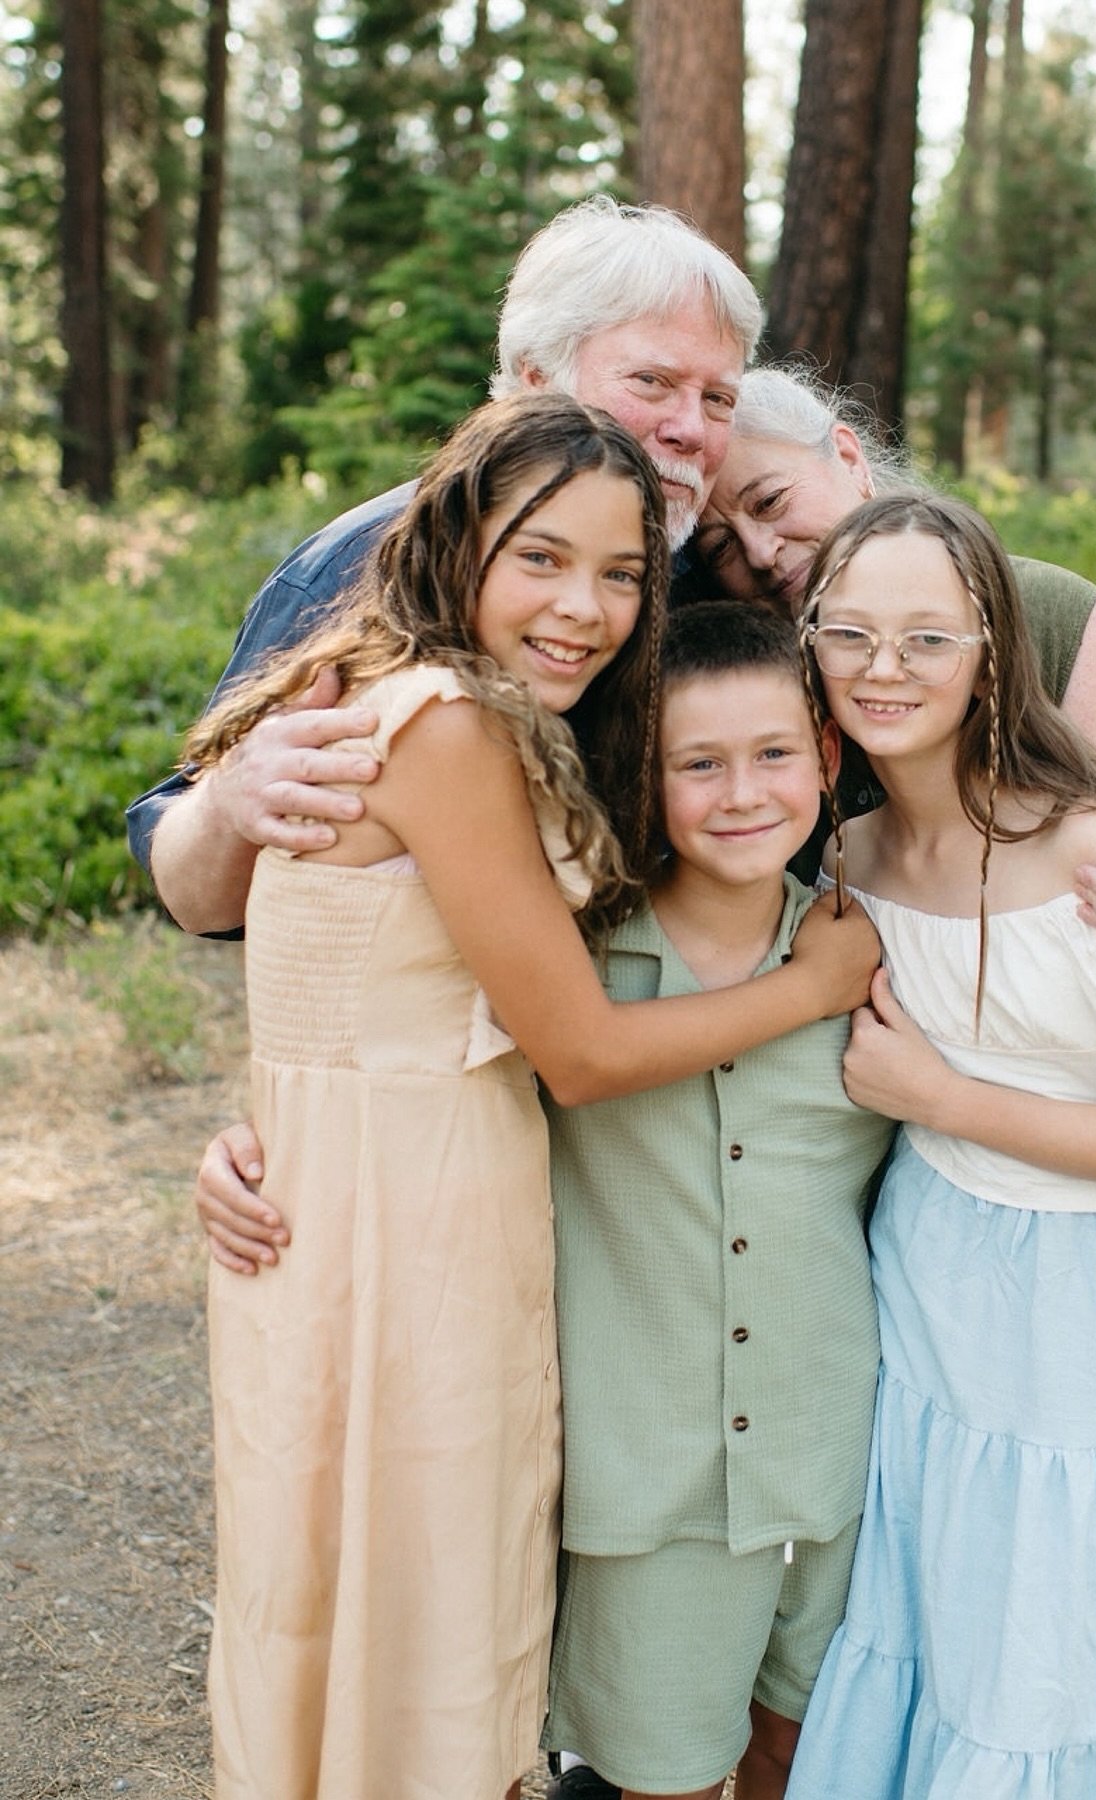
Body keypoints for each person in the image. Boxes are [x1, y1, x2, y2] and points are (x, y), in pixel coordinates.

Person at [189, 394, 878, 1800]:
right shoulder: (445, 727)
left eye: (625, 572)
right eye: (542, 558)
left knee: (361, 1596)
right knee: (418, 1616)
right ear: (459, 547)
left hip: (386, 1194)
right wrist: (817, 987)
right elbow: (579, 1051)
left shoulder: (396, 692)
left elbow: (359, 986)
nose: (588, 607)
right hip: (409, 1235)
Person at [782, 490, 1096, 1798]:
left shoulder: (1090, 853)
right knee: (938, 1596)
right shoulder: (850, 855)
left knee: (1055, 1642)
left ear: (993, 650)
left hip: (1090, 1294)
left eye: (929, 638)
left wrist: (938, 1094)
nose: (885, 669)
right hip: (927, 1264)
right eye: (851, 634)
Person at [692, 365, 1096, 1317]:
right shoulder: (740, 686)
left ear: (850, 457)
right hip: (888, 1195)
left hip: (1063, 1201)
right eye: (718, 542)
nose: (758, 545)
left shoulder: (1045, 614)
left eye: (771, 499)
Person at [126, 196, 761, 937]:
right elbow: (198, 903)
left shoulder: (727, 568)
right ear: (534, 381)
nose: (690, 428)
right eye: (651, 382)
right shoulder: (364, 561)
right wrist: (232, 798)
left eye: (718, 398)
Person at [537, 602, 895, 1800]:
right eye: (700, 763)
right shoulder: (577, 971)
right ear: (649, 773)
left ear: (829, 761)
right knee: (668, 1779)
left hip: (835, 1457)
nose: (742, 792)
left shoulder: (882, 967)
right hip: (655, 1482)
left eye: (775, 754)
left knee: (798, 1754)